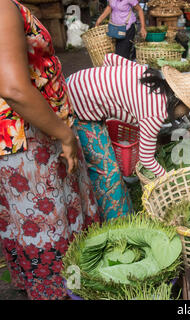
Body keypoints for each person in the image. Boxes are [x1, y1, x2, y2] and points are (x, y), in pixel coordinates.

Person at [0, 0, 101, 300]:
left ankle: (38, 285)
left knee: (23, 222)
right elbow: (14, 88)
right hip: (29, 136)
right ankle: (59, 292)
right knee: (48, 225)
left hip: (17, 137)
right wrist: (65, 135)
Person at [67, 54, 190, 218]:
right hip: (77, 104)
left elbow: (109, 58)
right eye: (188, 109)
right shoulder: (155, 112)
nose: (185, 114)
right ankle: (117, 222)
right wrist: (170, 182)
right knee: (109, 173)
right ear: (178, 101)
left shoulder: (149, 73)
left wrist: (105, 87)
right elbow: (146, 159)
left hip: (75, 81)